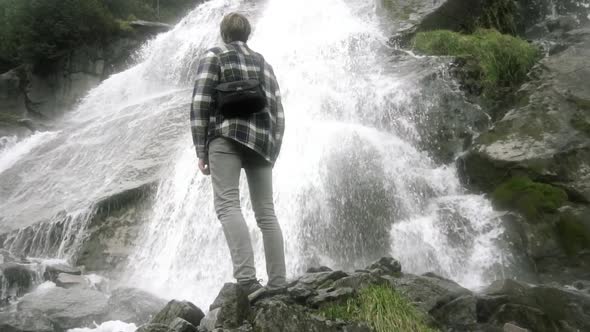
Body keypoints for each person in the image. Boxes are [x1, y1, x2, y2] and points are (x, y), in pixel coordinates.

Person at [190, 12, 286, 296]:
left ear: (224, 34)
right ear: (248, 34)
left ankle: (247, 281)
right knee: (266, 212)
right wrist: (273, 148)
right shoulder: (263, 64)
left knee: (228, 206)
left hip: (226, 138)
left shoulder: (214, 56)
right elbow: (278, 110)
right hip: (261, 143)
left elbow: (200, 103)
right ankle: (279, 284)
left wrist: (201, 148)